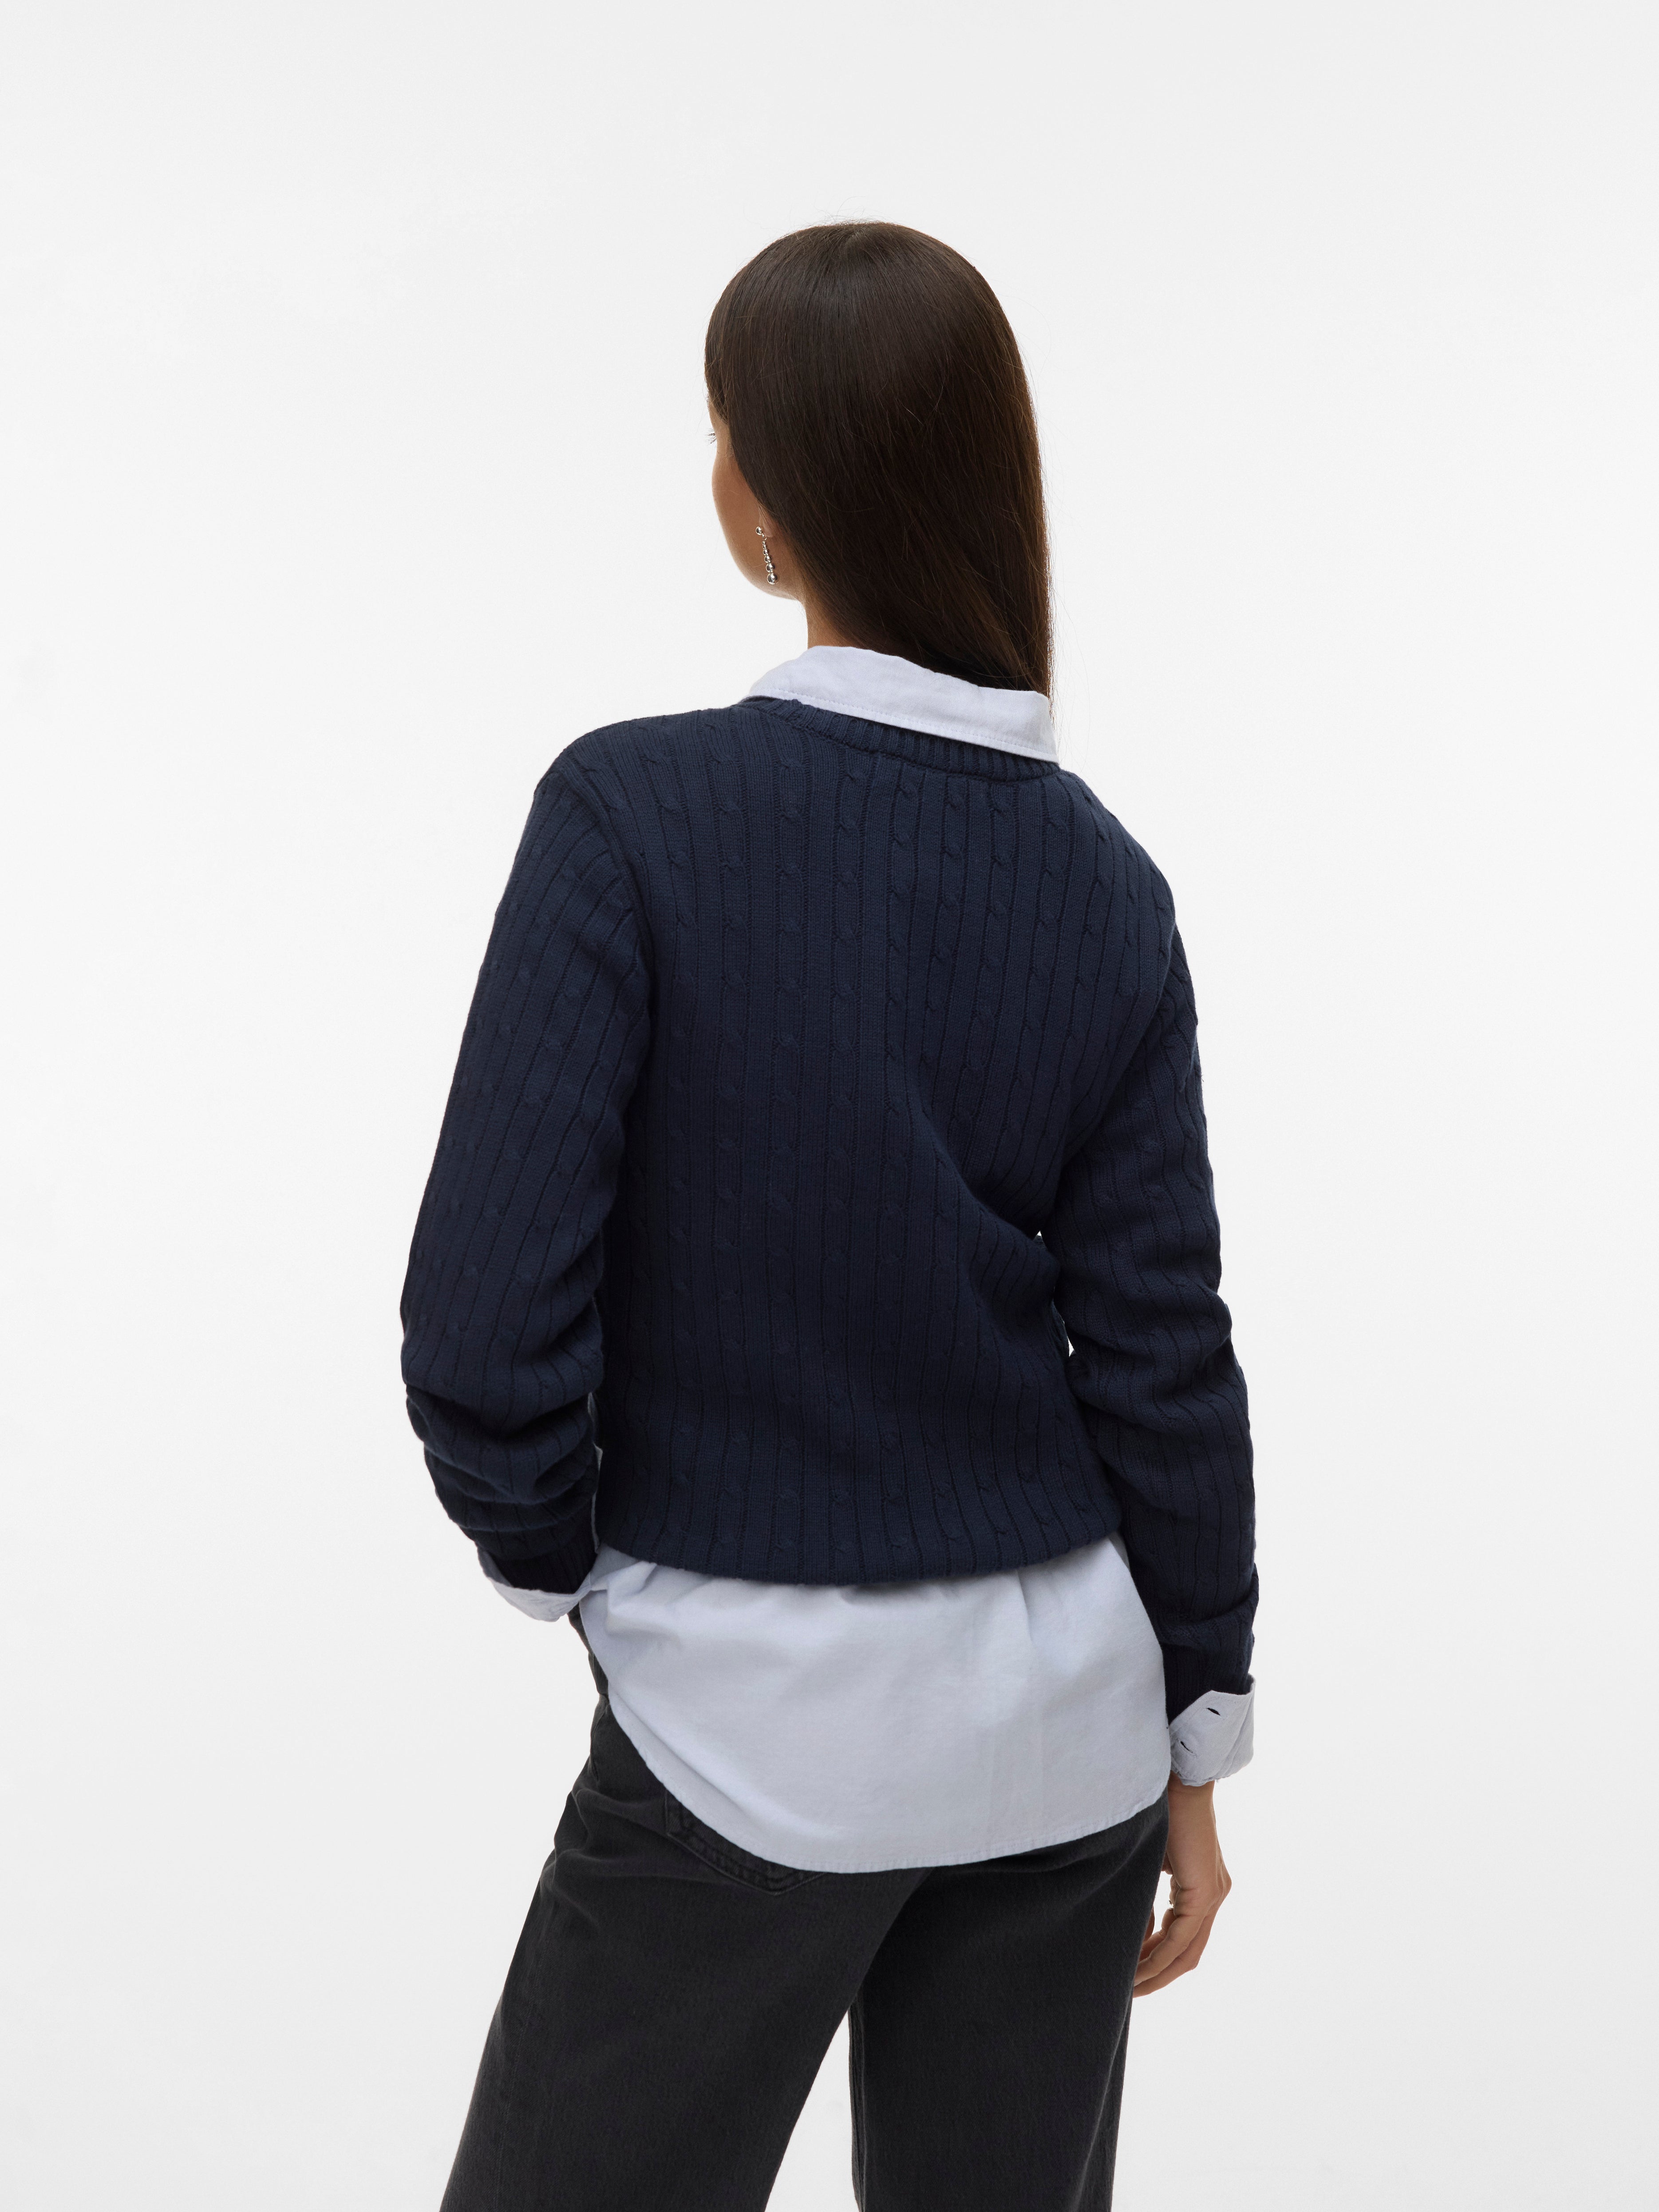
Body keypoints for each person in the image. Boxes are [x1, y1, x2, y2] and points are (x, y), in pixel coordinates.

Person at [401, 220, 1258, 2212]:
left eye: (720, 429)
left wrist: (575, 1574)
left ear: (766, 494)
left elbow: (483, 1325)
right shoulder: (1101, 879)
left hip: (745, 1723)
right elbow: (1162, 1354)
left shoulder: (631, 815)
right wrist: (1196, 1735)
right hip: (1064, 1737)